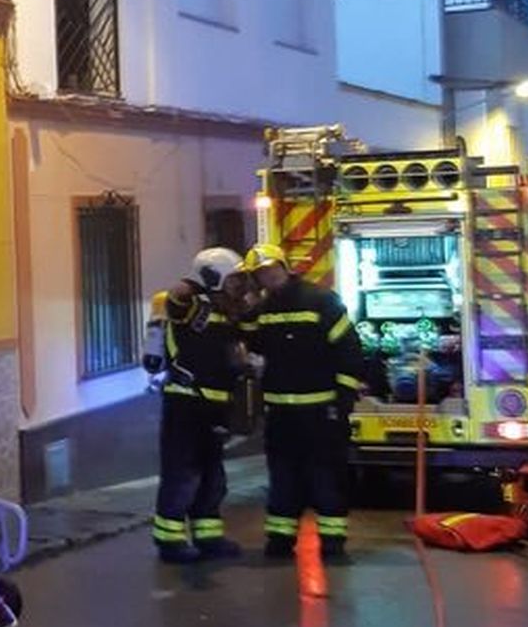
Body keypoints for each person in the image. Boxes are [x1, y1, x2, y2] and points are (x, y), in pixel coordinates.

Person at [234, 241, 368, 563]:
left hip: (321, 410)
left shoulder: (320, 300)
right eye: (260, 274)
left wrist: (343, 399)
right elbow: (241, 332)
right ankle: (280, 539)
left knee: (326, 476)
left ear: (284, 266)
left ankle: (332, 542)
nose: (268, 277)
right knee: (282, 477)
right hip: (281, 412)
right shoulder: (262, 310)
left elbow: (350, 350)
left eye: (271, 270)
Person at [144, 247, 245, 562]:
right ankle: (170, 541)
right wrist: (188, 287)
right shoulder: (194, 305)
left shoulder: (225, 310)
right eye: (233, 279)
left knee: (212, 475)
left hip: (214, 406)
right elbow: (176, 301)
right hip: (186, 403)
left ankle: (208, 536)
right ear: (214, 277)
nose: (237, 285)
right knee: (182, 473)